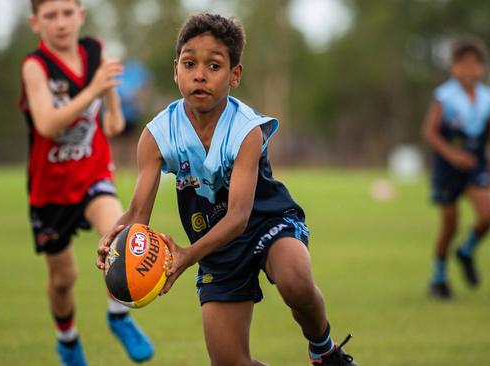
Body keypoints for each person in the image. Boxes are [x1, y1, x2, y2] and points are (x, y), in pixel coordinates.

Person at [96, 13, 358, 366]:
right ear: (176, 71)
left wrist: (188, 255)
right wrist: (116, 240)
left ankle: (325, 351)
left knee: (295, 279)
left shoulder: (246, 129)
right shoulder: (157, 135)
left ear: (234, 75)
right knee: (229, 362)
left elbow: (238, 217)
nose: (199, 74)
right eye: (189, 64)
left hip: (266, 223)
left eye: (214, 66)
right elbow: (138, 214)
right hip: (217, 248)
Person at [18, 0, 153, 364]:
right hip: (50, 190)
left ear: (81, 15)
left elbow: (112, 122)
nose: (60, 23)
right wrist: (93, 91)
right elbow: (46, 124)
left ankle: (119, 317)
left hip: (93, 174)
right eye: (50, 16)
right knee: (63, 278)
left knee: (119, 237)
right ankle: (68, 340)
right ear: (36, 22)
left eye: (67, 13)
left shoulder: (94, 51)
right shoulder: (36, 67)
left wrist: (111, 109)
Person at [422, 38, 490, 299]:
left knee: (488, 216)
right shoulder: (444, 96)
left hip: (475, 164)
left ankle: (466, 251)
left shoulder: (489, 98)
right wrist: (453, 155)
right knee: (450, 226)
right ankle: (439, 278)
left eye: (474, 64)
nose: (469, 70)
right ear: (453, 68)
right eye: (462, 64)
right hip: (448, 168)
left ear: (482, 68)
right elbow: (430, 132)